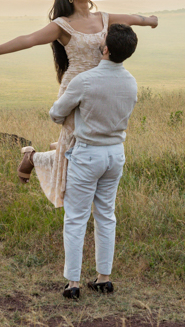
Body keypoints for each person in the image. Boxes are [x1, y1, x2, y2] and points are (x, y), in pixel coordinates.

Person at [0, 0, 157, 207]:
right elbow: (29, 39)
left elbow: (135, 19)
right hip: (75, 89)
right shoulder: (62, 25)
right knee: (77, 146)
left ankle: (42, 158)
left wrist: (151, 20)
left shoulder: (105, 18)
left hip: (102, 88)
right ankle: (43, 166)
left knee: (88, 146)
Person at [49, 23, 139, 299]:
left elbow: (56, 113)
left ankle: (73, 283)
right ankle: (104, 278)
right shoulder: (131, 81)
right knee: (106, 216)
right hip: (115, 153)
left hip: (88, 153)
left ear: (106, 48)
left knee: (76, 218)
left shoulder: (85, 80)